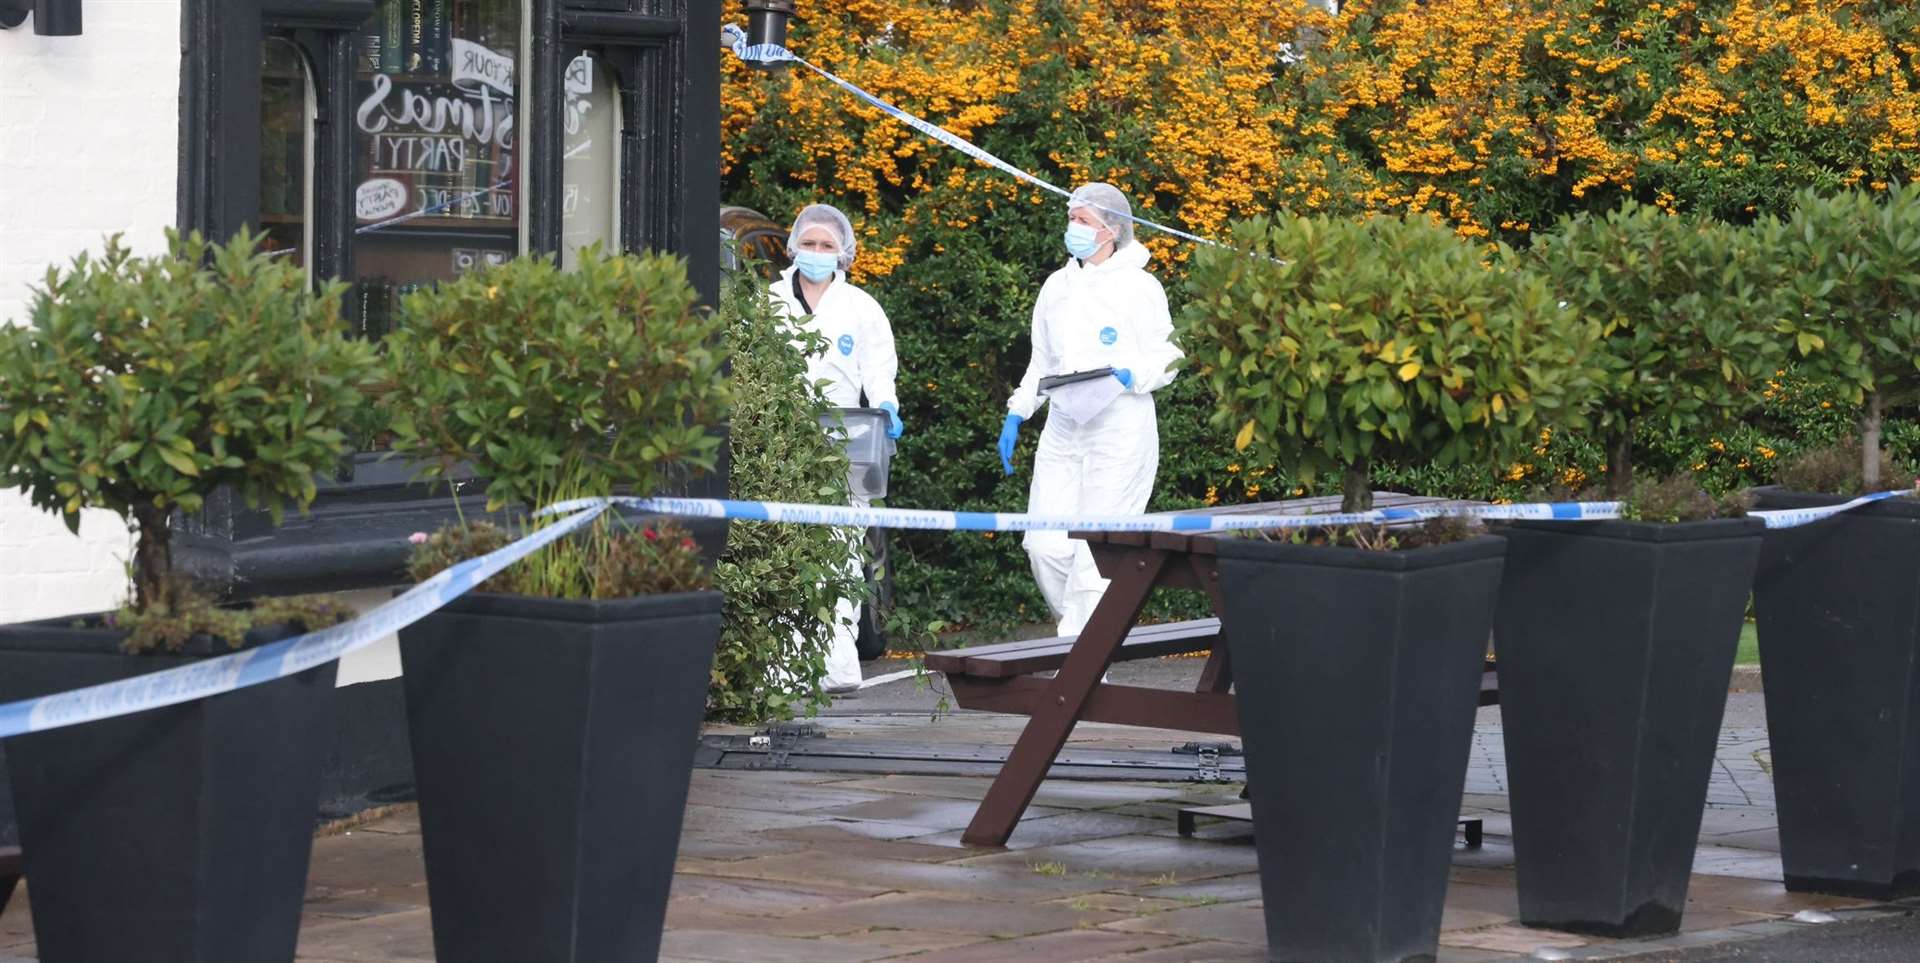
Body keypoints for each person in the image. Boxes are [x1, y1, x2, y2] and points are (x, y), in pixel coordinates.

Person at [998, 183, 1183, 637]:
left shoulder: (1141, 286)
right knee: (1044, 546)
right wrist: (1019, 412)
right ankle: (1083, 642)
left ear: (1112, 229)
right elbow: (1042, 360)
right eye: (1071, 218)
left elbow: (1168, 355)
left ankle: (1081, 659)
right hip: (1063, 426)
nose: (1073, 228)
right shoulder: (1057, 286)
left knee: (1095, 554)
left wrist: (1130, 374)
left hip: (1120, 429)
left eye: (1083, 220)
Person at [769, 203, 902, 692]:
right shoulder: (769, 301)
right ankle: (782, 671)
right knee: (784, 547)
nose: (817, 253)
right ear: (794, 246)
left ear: (843, 253)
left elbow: (879, 370)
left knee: (842, 553)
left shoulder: (862, 308)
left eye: (827, 246)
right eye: (810, 243)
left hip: (847, 437)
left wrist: (887, 408)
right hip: (781, 438)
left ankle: (835, 668)